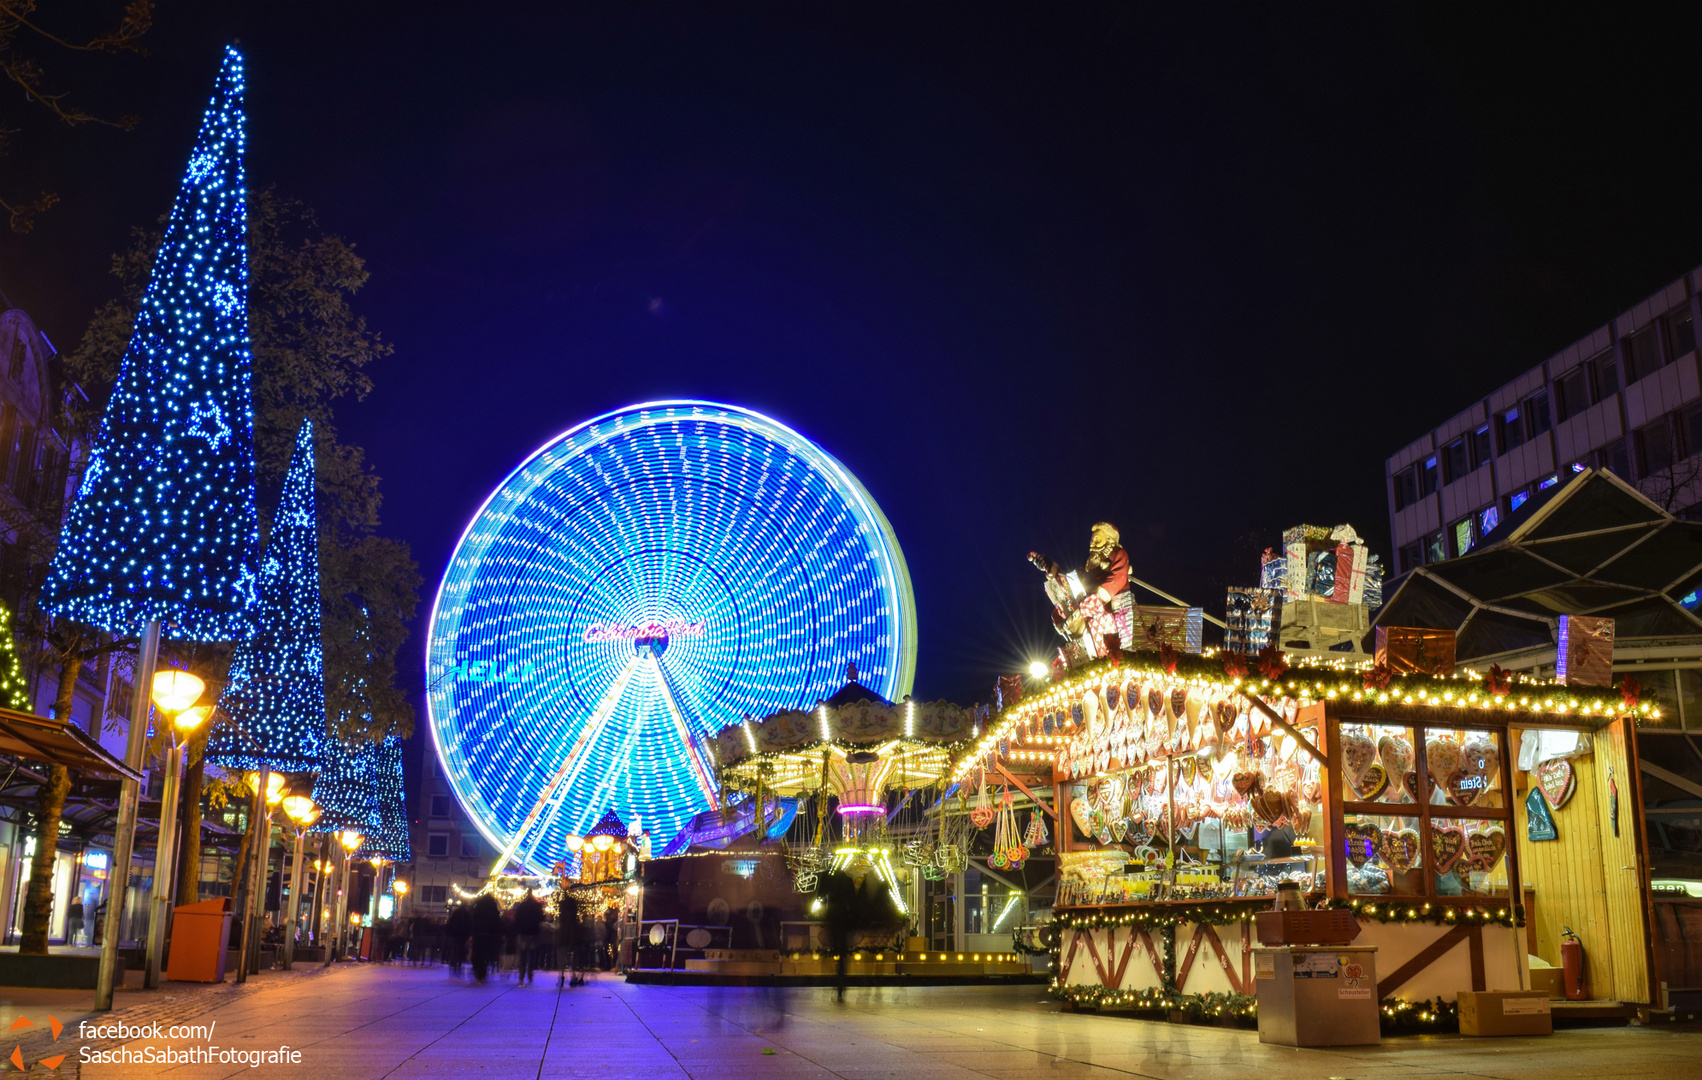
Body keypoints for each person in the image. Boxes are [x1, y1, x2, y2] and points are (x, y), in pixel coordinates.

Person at [512, 890, 545, 985]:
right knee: (531, 955)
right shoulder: (537, 906)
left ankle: (521, 976)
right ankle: (530, 975)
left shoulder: (522, 906)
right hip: (533, 933)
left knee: (522, 955)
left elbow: (517, 918)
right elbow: (541, 918)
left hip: (523, 933)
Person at [469, 893, 501, 982]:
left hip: (479, 934)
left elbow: (474, 920)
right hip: (490, 934)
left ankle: (478, 970)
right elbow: (497, 922)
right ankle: (484, 969)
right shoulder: (493, 908)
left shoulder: (478, 908)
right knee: (486, 953)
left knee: (478, 953)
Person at [556, 901, 582, 987]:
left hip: (563, 937)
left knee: (562, 957)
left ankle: (561, 976)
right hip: (572, 937)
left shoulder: (563, 919)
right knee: (573, 957)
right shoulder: (573, 920)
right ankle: (573, 975)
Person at [445, 903, 473, 977]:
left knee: (455, 947)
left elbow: (451, 923)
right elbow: (470, 924)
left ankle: (454, 961)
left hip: (455, 933)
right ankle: (460, 961)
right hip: (463, 934)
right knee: (461, 947)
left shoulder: (456, 913)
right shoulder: (467, 914)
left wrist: (450, 932)